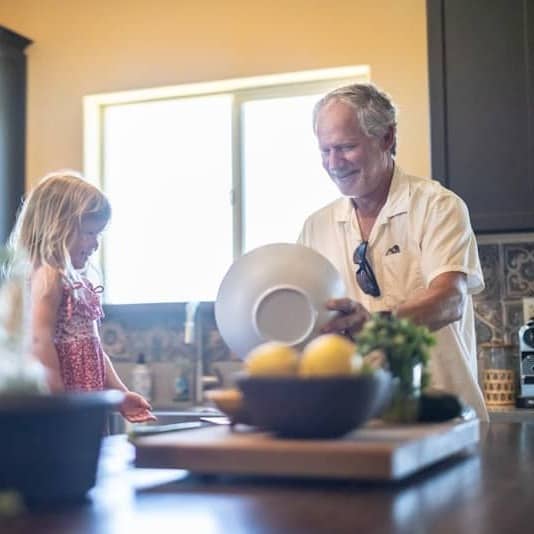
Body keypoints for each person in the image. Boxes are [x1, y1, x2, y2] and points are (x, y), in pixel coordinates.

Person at [298, 83, 488, 421]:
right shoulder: (315, 227)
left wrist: (375, 327)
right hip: (360, 424)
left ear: (387, 138)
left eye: (345, 147)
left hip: (445, 418)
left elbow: (450, 299)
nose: (333, 163)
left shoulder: (438, 205)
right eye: (325, 150)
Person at [9, 171, 156, 423]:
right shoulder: (48, 276)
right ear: (57, 229)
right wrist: (57, 402)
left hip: (84, 403)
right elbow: (39, 342)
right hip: (65, 406)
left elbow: (93, 347)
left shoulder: (73, 280)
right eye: (89, 233)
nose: (96, 244)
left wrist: (121, 395)